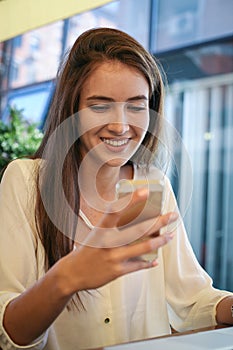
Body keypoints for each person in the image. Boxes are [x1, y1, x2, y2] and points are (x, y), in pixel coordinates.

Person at [0, 27, 232, 350]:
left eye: (136, 106)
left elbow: (192, 299)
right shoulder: (25, 181)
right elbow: (9, 332)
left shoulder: (153, 186)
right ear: (72, 108)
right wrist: (68, 276)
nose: (121, 125)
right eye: (100, 106)